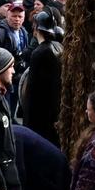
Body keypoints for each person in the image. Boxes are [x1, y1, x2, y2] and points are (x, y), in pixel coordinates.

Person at [19, 10, 64, 148]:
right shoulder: (57, 47)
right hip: (54, 110)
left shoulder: (40, 52)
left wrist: (28, 119)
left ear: (36, 28)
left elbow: (33, 90)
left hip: (41, 114)